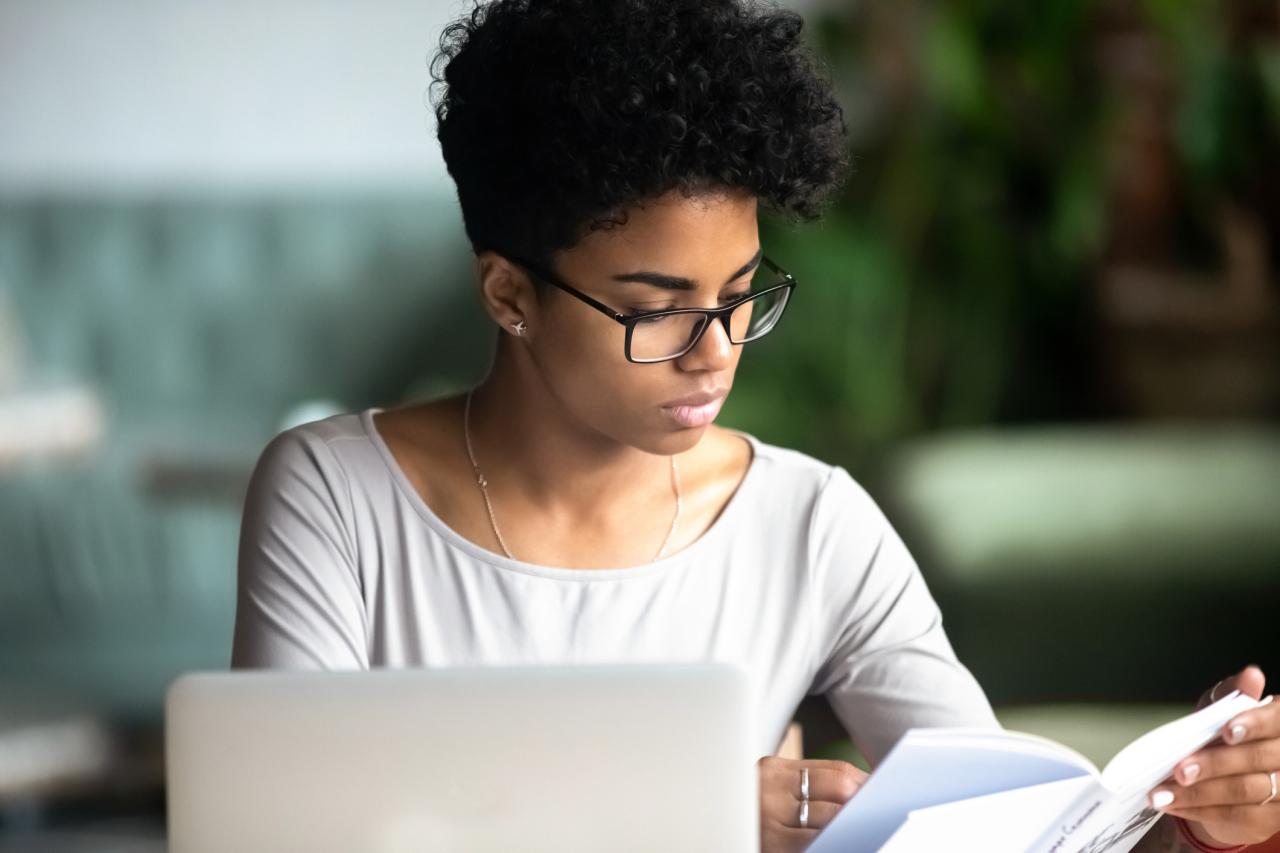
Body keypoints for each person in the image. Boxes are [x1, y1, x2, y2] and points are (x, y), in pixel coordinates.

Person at [229, 1, 1280, 850]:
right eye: (656, 310)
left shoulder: (809, 522)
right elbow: (273, 831)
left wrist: (1182, 815)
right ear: (508, 293)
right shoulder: (335, 496)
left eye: (738, 294)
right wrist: (689, 815)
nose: (716, 348)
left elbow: (1000, 826)